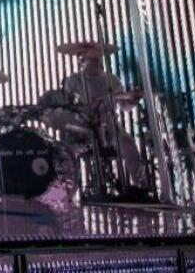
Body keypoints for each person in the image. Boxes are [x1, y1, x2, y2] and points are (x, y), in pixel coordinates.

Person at [61, 53, 147, 191]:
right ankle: (69, 189)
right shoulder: (73, 80)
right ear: (81, 60)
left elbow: (125, 106)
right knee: (67, 152)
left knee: (128, 143)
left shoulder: (111, 79)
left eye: (98, 58)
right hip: (82, 126)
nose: (97, 61)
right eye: (93, 58)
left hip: (110, 125)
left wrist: (133, 100)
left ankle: (140, 184)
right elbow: (67, 106)